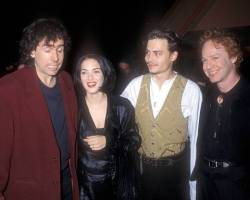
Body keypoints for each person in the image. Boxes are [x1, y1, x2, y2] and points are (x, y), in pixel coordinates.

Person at [0, 18, 79, 200]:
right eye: (48, 48)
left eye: (60, 49)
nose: (56, 57)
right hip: (30, 191)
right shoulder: (7, 90)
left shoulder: (67, 81)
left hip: (66, 183)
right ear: (32, 51)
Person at [122, 28, 202, 200]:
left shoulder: (191, 90)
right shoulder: (135, 85)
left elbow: (196, 141)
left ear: (173, 56)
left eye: (157, 53)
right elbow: (115, 121)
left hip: (175, 173)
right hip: (142, 171)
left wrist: (193, 186)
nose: (149, 59)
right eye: (148, 53)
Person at [73, 54, 141, 200]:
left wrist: (108, 141)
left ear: (105, 73)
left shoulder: (122, 106)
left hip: (118, 184)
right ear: (79, 76)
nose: (90, 77)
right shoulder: (72, 107)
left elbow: (134, 140)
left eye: (96, 71)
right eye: (84, 72)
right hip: (85, 187)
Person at [196, 28, 250, 200]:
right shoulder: (206, 96)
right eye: (204, 60)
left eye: (215, 57)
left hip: (238, 185)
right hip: (206, 181)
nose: (208, 66)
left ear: (234, 57)